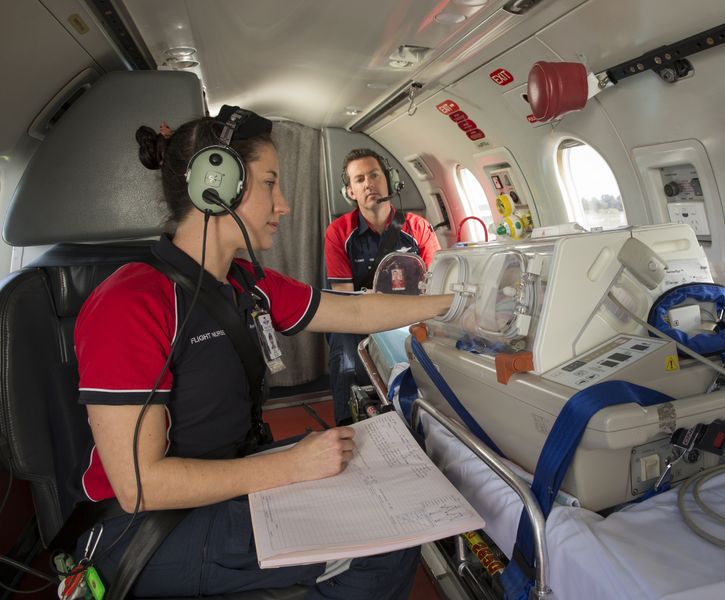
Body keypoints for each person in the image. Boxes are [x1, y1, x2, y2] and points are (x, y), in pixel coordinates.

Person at [73, 107, 452, 599]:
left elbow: (355, 310)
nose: (284, 204)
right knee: (390, 537)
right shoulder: (130, 303)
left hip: (226, 476)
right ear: (216, 184)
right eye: (270, 183)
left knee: (384, 472)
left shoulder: (246, 282)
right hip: (145, 528)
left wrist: (455, 305)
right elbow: (139, 486)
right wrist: (291, 466)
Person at [324, 148, 440, 424]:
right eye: (359, 179)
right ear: (350, 192)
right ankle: (349, 424)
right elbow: (345, 299)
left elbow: (435, 287)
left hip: (412, 316)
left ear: (389, 180)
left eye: (374, 175)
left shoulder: (417, 228)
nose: (369, 184)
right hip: (359, 319)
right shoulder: (339, 232)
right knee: (343, 349)